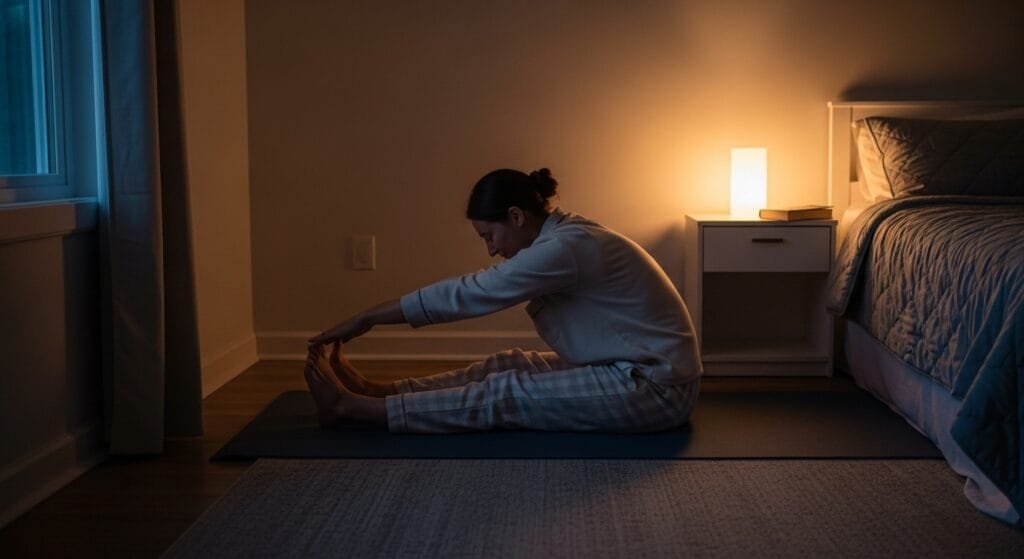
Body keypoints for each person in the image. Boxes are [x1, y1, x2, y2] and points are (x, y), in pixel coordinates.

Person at [304, 168, 702, 433]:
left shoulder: (565, 247)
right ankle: (384, 393)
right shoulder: (563, 237)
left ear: (515, 216)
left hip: (657, 389)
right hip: (626, 368)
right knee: (508, 363)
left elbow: (469, 294)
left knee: (508, 393)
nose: (491, 251)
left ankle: (352, 409)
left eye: (488, 236)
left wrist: (366, 318)